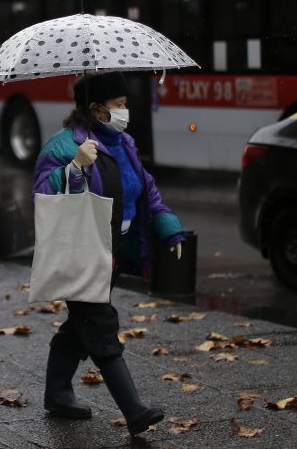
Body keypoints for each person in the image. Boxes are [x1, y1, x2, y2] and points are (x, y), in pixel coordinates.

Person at [32, 72, 185, 437]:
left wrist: (167, 226)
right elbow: (43, 193)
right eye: (118, 105)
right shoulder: (65, 145)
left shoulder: (123, 142)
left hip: (112, 251)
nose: (124, 111)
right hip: (82, 251)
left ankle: (57, 394)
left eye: (125, 104)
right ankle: (134, 411)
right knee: (100, 326)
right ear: (96, 109)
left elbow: (145, 187)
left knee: (80, 326)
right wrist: (76, 167)